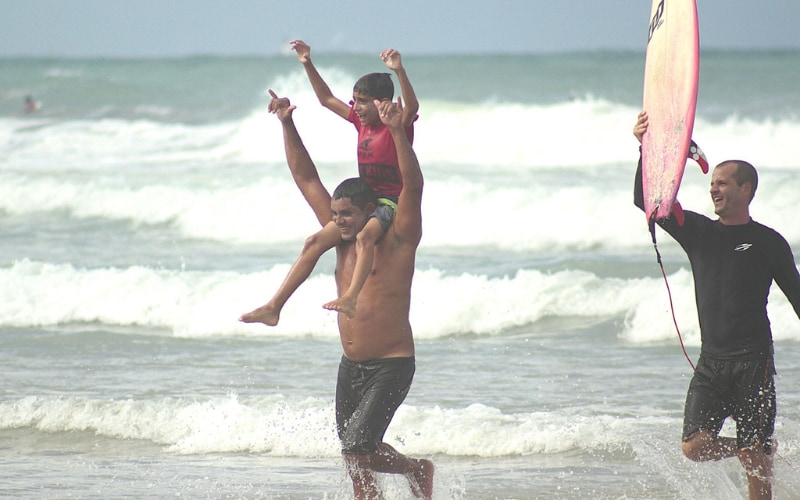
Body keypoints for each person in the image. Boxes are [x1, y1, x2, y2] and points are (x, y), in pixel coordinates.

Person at [258, 90, 433, 499]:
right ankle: (385, 488)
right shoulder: (342, 233)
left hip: (391, 363)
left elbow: (414, 185)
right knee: (354, 452)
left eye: (346, 215)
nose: (336, 222)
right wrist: (287, 123)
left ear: (370, 209)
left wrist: (397, 133)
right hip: (350, 364)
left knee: (357, 447)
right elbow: (306, 178)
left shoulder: (400, 238)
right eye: (335, 216)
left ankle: (414, 470)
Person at [633, 111, 800, 500]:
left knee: (757, 467)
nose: (713, 190)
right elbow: (646, 198)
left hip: (752, 363)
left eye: (723, 183)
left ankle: (756, 453)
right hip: (712, 362)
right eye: (712, 183)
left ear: (746, 189)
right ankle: (752, 449)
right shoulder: (699, 232)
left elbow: (797, 294)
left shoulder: (769, 242)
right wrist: (646, 148)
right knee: (694, 446)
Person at [239, 40, 419, 325]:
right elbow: (325, 99)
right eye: (355, 101)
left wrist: (399, 71)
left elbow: (411, 106)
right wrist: (307, 63)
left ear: (381, 103)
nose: (355, 107)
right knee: (314, 241)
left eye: (361, 101)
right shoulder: (361, 124)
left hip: (388, 202)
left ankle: (350, 298)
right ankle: (274, 306)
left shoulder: (395, 124)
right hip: (364, 196)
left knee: (364, 237)